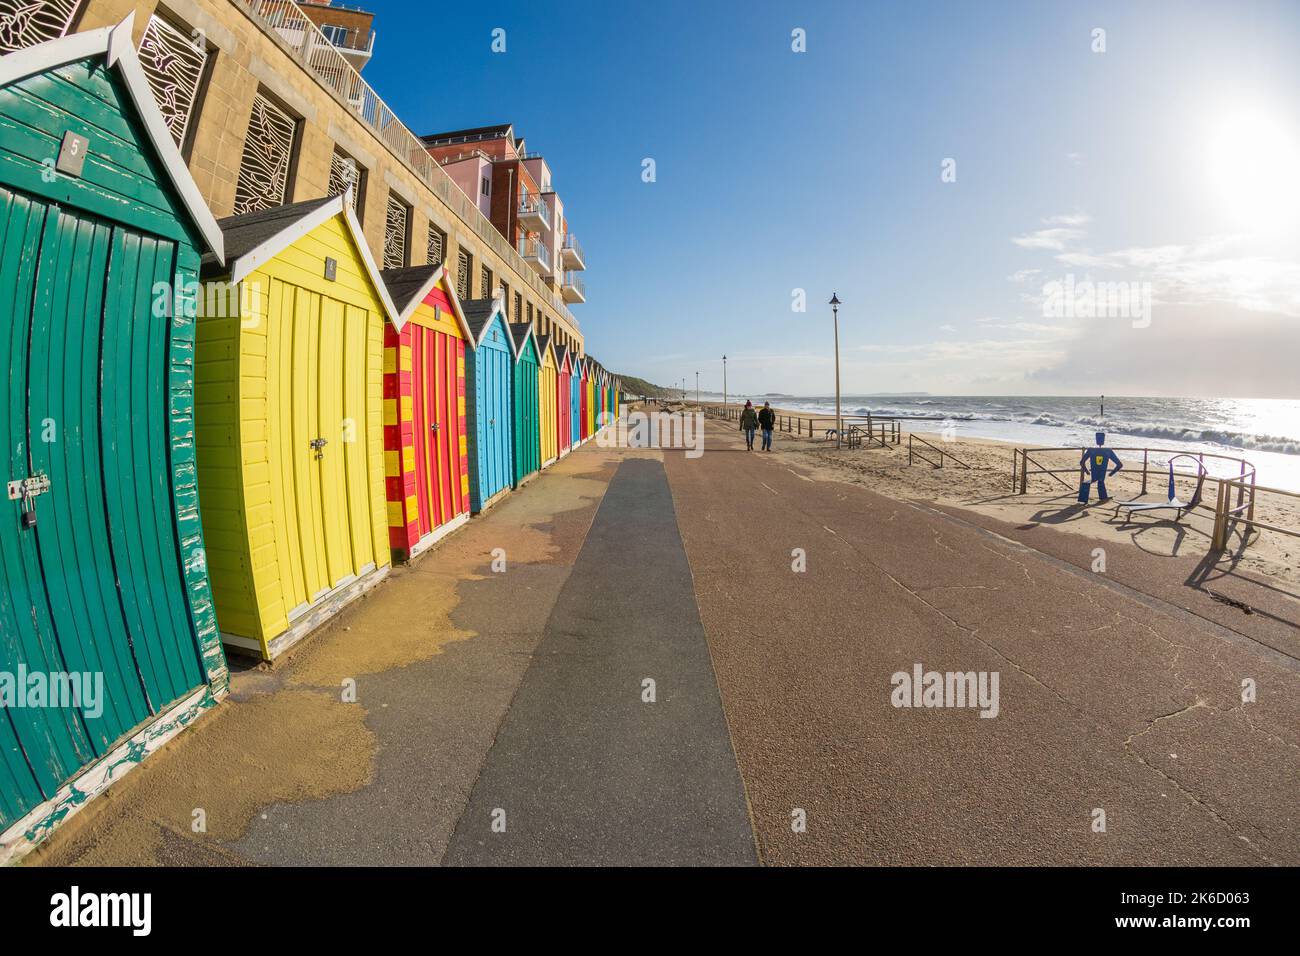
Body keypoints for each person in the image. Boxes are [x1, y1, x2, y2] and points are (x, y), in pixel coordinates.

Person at [1078, 431, 1122, 503]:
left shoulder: (1091, 450)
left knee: (1094, 481)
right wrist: (1112, 473)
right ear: (1104, 439)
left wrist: (1087, 471)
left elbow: (1081, 462)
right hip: (1102, 475)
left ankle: (1086, 499)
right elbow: (1119, 464)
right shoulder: (1108, 451)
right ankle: (1103, 497)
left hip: (1094, 475)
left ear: (1096, 439)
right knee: (1101, 481)